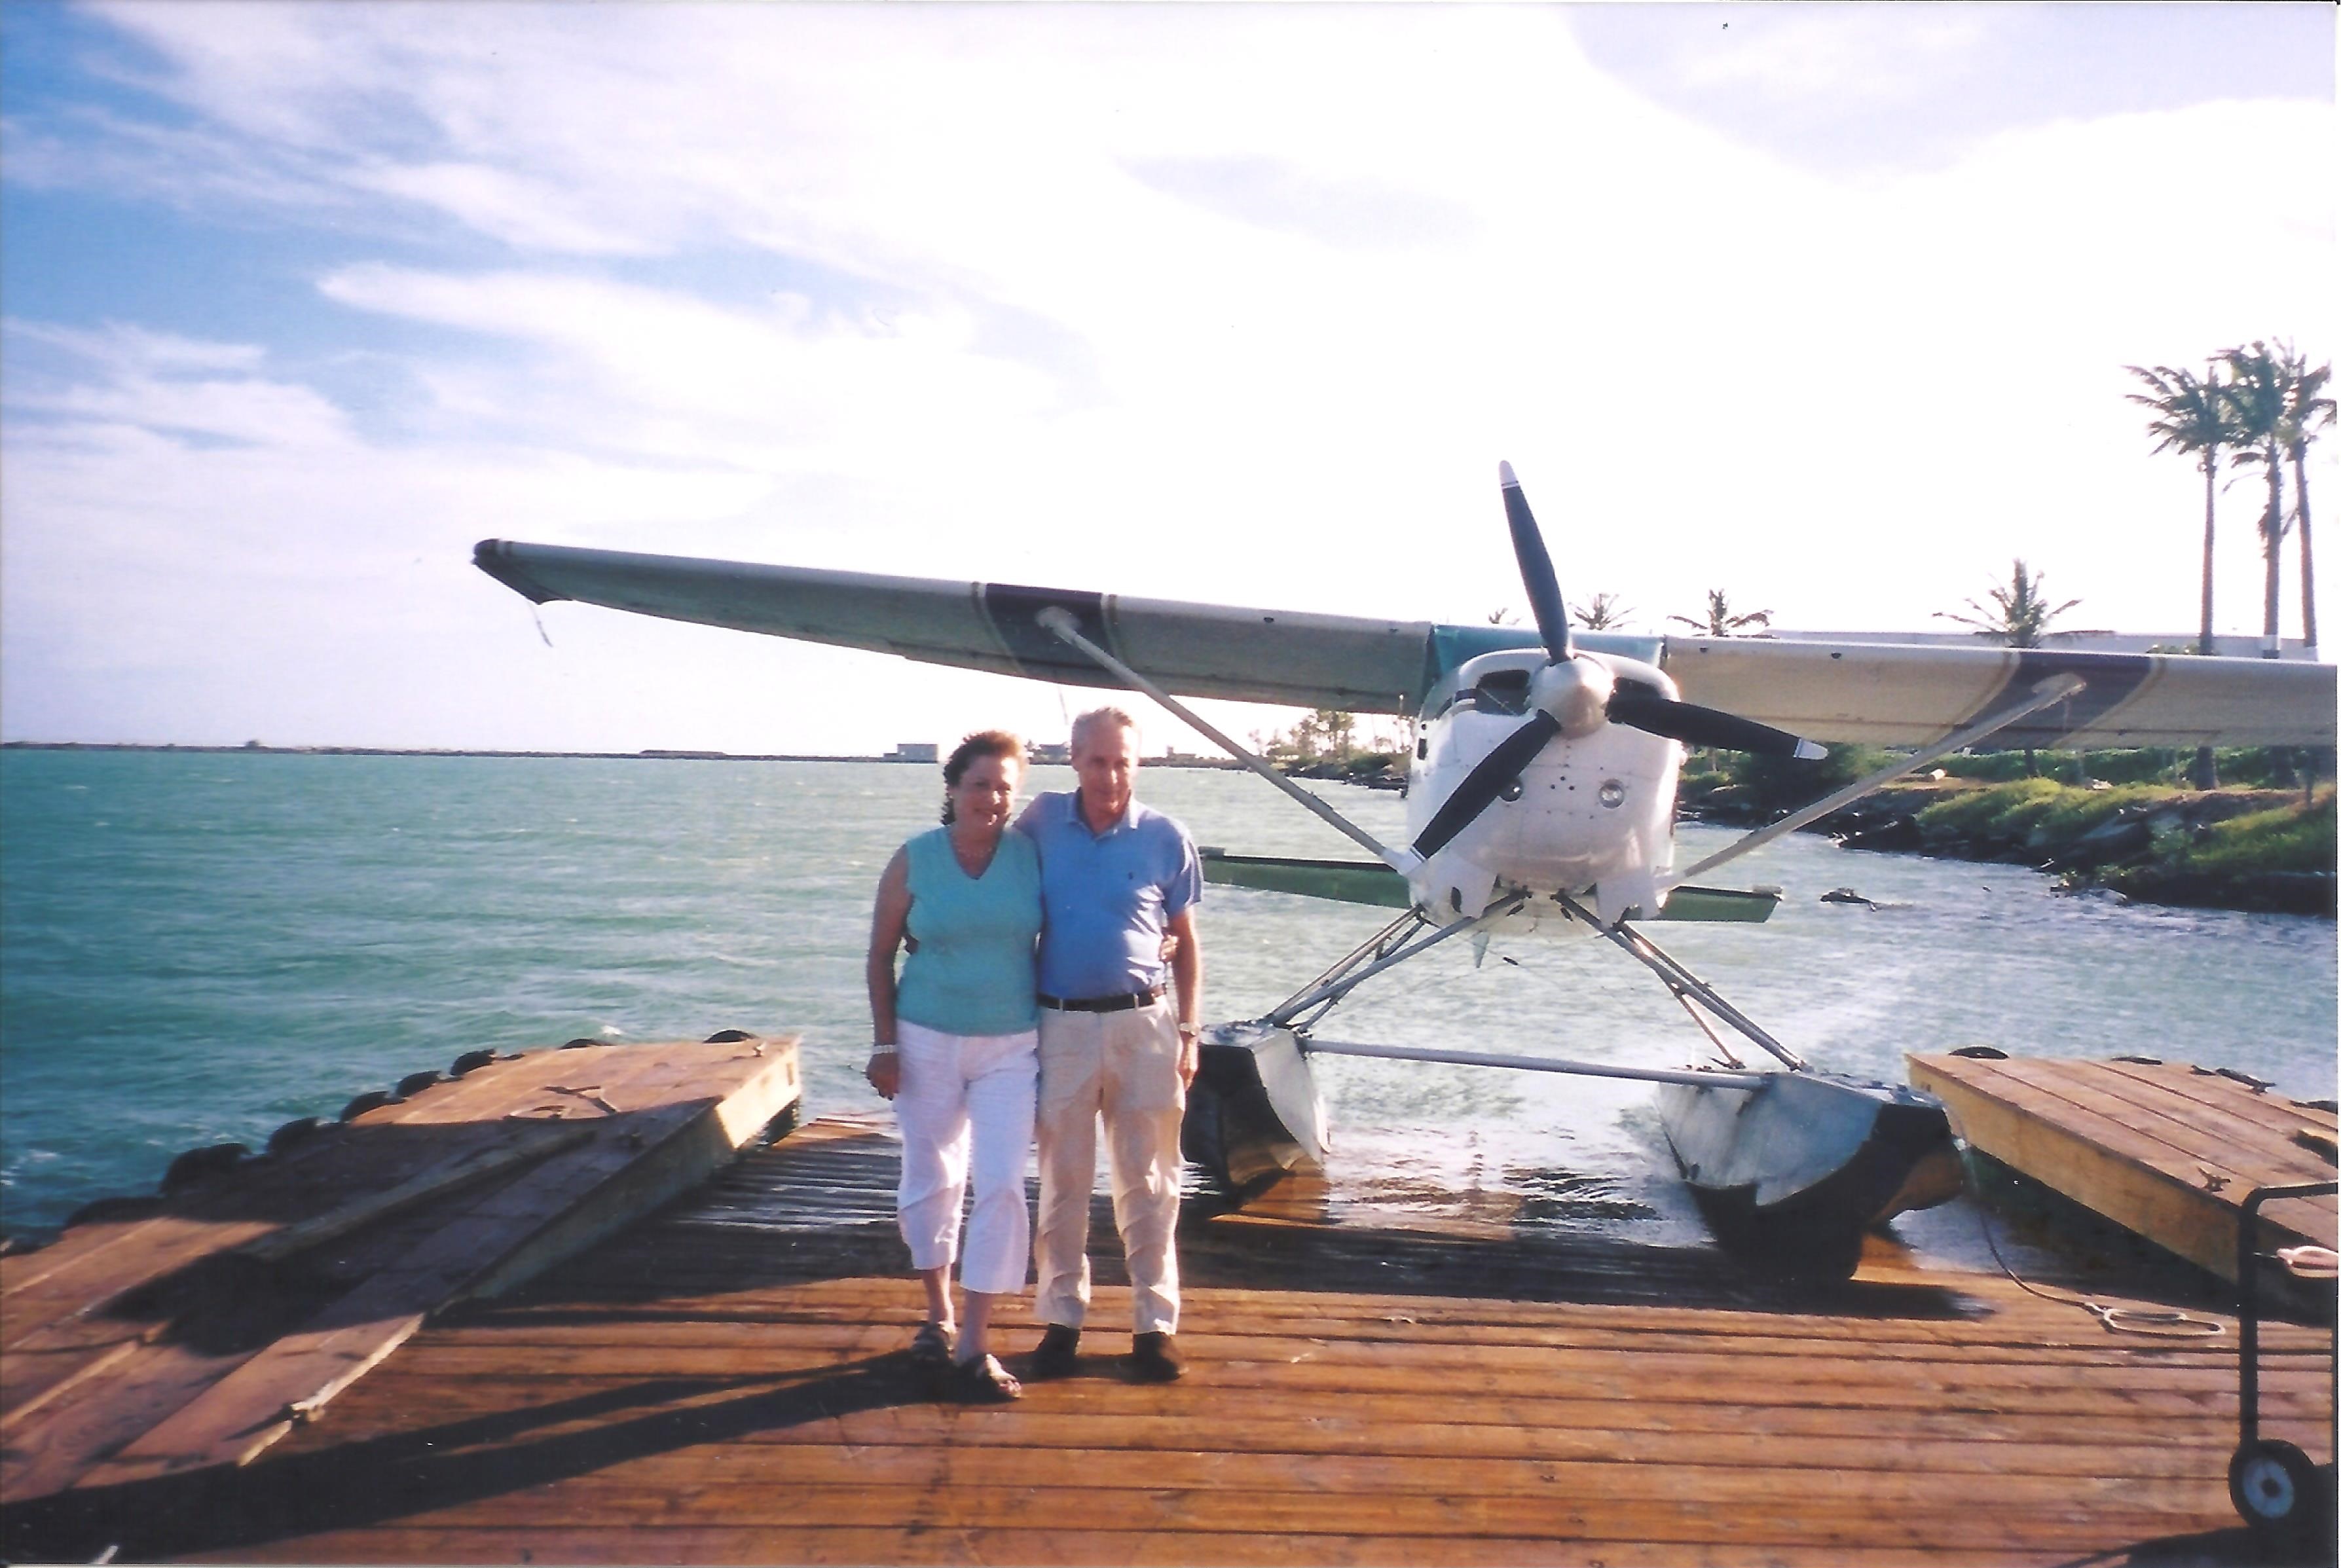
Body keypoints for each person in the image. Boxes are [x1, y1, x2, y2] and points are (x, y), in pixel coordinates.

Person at [1016, 706, 1203, 1383]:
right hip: (1060, 1025)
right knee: (1063, 1181)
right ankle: (1061, 1320)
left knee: (1150, 1182)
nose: (1110, 776)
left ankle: (1154, 1326)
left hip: (1144, 1025)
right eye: (1097, 761)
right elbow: (997, 888)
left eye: (1122, 762)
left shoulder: (1165, 836)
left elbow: (1186, 941)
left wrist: (1189, 1030)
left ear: (1138, 763)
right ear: (1073, 759)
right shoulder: (1039, 822)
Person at [865, 730, 1042, 1403]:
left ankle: (974, 1340)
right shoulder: (914, 858)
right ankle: (937, 1314)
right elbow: (880, 955)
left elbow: (1085, 915)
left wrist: (1158, 939)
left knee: (1000, 1183)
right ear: (953, 788)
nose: (991, 798)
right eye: (979, 784)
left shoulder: (1031, 856)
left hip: (1010, 1045)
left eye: (1003, 787)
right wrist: (885, 1044)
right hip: (925, 1039)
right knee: (932, 1175)